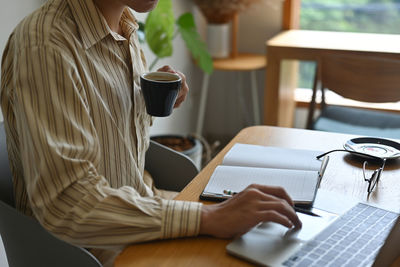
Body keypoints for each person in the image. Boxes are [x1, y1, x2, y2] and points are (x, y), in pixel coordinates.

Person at [0, 0, 301, 266]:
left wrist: (144, 101)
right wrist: (207, 218)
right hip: (91, 248)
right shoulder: (45, 46)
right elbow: (68, 202)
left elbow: (114, 138)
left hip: (141, 209)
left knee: (271, 238)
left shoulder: (125, 29)